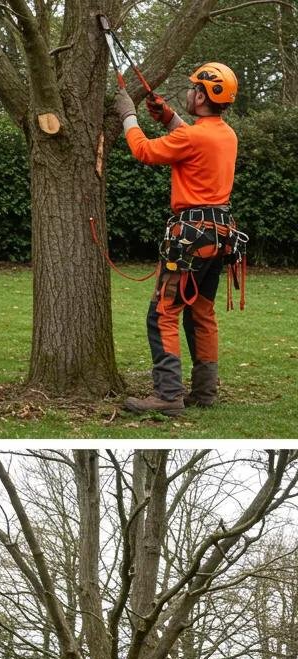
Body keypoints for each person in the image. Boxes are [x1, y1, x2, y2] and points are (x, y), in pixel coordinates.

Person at [114, 63, 244, 415]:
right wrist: (168, 116)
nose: (188, 92)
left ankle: (168, 396)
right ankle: (204, 392)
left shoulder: (193, 137)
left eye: (192, 89)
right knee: (201, 312)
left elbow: (143, 150)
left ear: (202, 95)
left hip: (190, 236)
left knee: (163, 313)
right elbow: (193, 138)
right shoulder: (225, 134)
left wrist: (129, 115)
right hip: (219, 235)